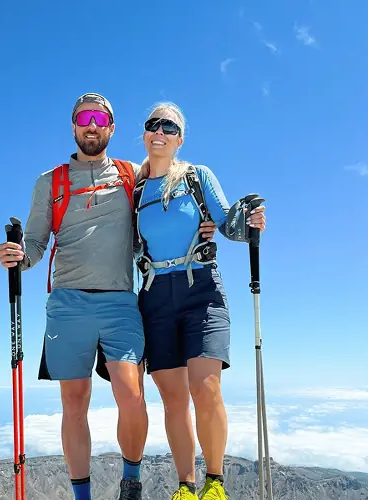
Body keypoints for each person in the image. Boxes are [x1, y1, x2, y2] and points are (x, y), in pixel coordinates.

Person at [0, 93, 150, 500]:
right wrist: (18, 257)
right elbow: (35, 243)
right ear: (73, 127)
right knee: (74, 401)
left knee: (131, 393)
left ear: (111, 128)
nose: (92, 125)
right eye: (84, 118)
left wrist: (208, 224)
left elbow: (163, 205)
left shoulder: (133, 175)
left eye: (100, 118)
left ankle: (131, 481)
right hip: (68, 302)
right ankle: (82, 496)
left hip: (120, 300)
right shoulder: (50, 182)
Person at [132, 102, 267, 500]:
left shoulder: (196, 176)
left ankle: (215, 483)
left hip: (202, 291)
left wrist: (249, 223)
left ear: (180, 139)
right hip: (155, 297)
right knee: (173, 399)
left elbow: (228, 223)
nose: (160, 131)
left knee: (205, 387)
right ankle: (186, 487)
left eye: (169, 127)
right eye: (153, 124)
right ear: (145, 134)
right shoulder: (135, 190)